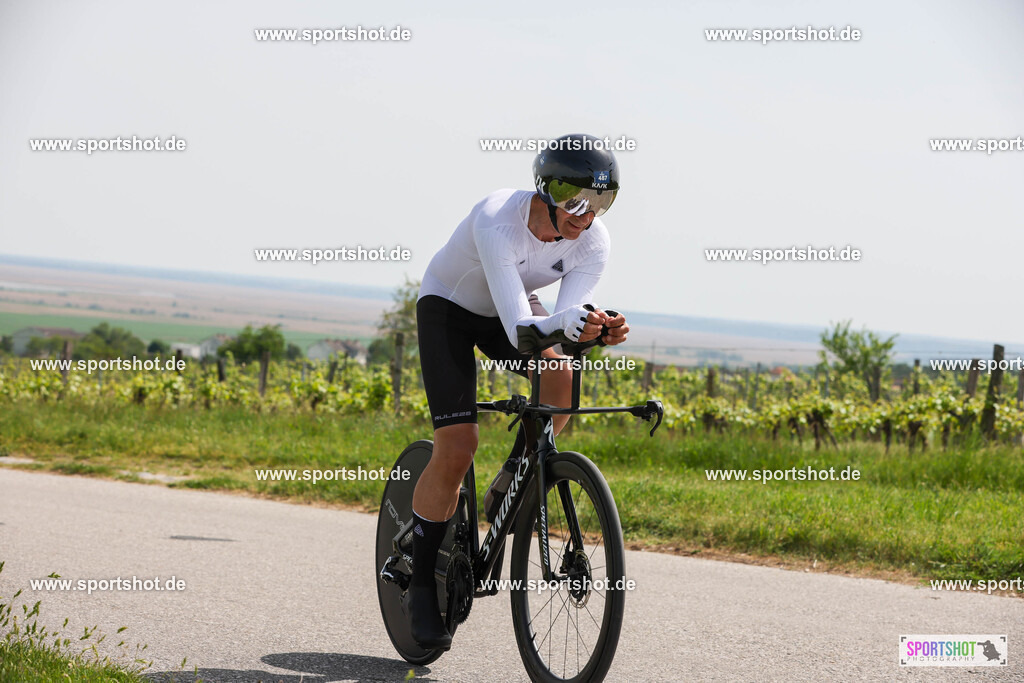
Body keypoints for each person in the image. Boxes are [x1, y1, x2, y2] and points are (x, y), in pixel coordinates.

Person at [408, 133, 629, 649]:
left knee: (561, 379)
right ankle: (420, 584)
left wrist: (594, 329)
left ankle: (518, 470)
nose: (585, 214)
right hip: (451, 312)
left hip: (515, 315)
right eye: (573, 198)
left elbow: (561, 327)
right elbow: (518, 333)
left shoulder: (594, 242)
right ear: (545, 189)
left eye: (600, 202)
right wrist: (567, 324)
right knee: (458, 449)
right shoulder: (497, 220)